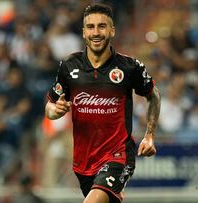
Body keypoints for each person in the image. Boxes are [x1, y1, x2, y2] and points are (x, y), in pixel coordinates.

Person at [44, 3, 161, 203]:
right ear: (83, 32)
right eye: (91, 27)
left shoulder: (129, 67)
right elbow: (50, 107)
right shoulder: (69, 66)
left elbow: (154, 95)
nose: (96, 32)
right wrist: (56, 111)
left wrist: (149, 134)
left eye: (102, 26)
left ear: (112, 30)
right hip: (83, 161)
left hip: (118, 155)